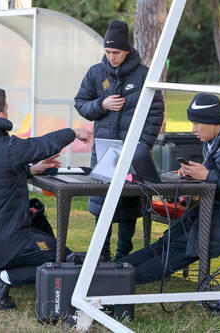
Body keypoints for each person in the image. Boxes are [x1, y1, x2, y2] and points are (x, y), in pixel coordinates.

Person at [0, 88, 91, 309]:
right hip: (9, 242)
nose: (8, 114)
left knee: (53, 249)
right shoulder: (7, 147)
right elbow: (41, 145)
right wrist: (74, 132)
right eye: (7, 110)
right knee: (62, 258)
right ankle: (1, 279)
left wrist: (30, 171)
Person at [117, 93, 220, 284]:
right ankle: (112, 270)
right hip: (214, 207)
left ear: (213, 122)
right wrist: (194, 173)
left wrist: (207, 175)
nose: (194, 129)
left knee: (181, 248)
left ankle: (122, 279)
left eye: (198, 123)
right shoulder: (213, 141)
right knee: (169, 240)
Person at [74, 20, 164, 260]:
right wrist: (101, 105)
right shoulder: (95, 73)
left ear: (127, 51)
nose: (111, 57)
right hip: (102, 154)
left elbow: (155, 113)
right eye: (108, 52)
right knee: (101, 204)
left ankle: (124, 256)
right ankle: (101, 255)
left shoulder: (144, 75)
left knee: (129, 206)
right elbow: (80, 103)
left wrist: (141, 147)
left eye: (116, 52)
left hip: (133, 154)